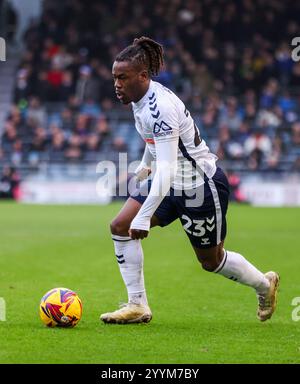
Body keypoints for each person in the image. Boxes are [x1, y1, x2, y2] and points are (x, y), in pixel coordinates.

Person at [100, 37, 279, 324]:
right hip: (170, 185)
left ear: (142, 76)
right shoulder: (139, 99)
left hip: (201, 186)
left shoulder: (161, 108)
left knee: (211, 261)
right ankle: (137, 305)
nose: (117, 84)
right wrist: (145, 166)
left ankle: (264, 284)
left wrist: (145, 217)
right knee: (120, 226)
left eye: (122, 78)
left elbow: (168, 166)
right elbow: (153, 141)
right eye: (114, 78)